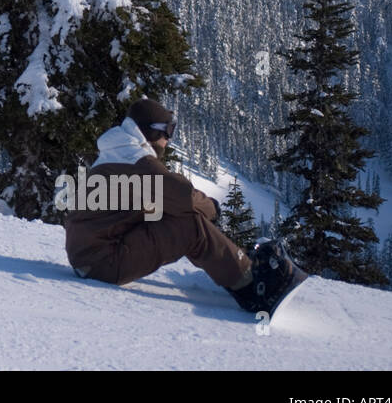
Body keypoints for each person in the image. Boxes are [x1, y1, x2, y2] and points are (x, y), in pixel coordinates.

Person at [63, 98, 292, 313]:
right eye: (168, 131)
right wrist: (212, 207)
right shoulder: (135, 159)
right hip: (101, 262)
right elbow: (182, 196)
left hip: (92, 255)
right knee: (189, 225)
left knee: (170, 214)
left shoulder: (120, 152)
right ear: (151, 131)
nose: (169, 139)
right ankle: (252, 287)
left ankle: (234, 264)